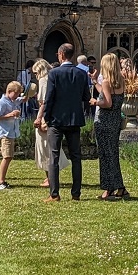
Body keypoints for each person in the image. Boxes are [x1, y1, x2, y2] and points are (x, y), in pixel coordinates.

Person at [38, 43, 91, 202]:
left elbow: (49, 98)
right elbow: (86, 98)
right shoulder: (81, 74)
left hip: (56, 120)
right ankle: (76, 193)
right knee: (76, 156)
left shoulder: (54, 73)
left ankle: (54, 194)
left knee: (53, 156)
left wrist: (46, 118)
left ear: (61, 55)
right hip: (74, 119)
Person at [92, 53, 129, 200]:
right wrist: (95, 82)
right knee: (113, 154)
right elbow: (107, 93)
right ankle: (120, 187)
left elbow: (107, 102)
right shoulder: (121, 80)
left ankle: (108, 189)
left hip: (105, 121)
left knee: (106, 155)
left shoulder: (107, 82)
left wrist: (95, 102)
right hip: (115, 121)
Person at [0, 81, 23, 190]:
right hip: (5, 133)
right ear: (9, 91)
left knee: (9, 157)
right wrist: (10, 114)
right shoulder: (2, 102)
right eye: (16, 93)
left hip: (11, 132)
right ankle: (0, 182)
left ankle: (2, 180)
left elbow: (23, 99)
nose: (18, 96)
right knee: (7, 157)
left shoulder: (12, 100)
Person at [30, 59, 54, 188]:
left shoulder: (44, 80)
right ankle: (50, 177)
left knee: (44, 148)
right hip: (51, 115)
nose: (35, 75)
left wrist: (39, 118)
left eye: (35, 73)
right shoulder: (52, 78)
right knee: (47, 147)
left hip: (45, 116)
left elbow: (44, 102)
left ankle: (50, 178)